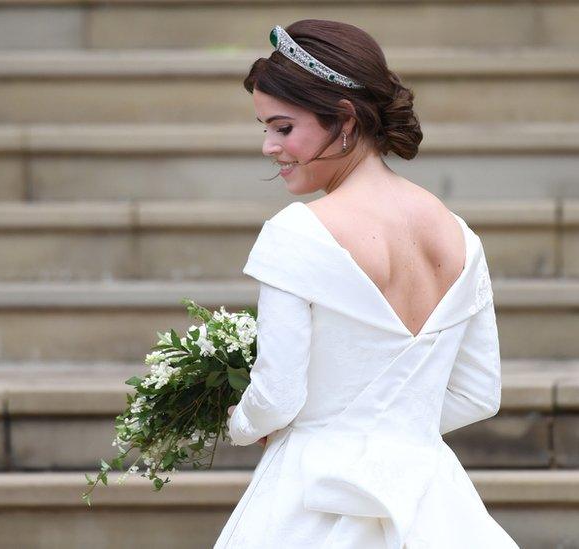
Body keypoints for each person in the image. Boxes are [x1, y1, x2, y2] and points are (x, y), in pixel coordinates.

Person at [214, 20, 519, 549]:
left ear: (346, 119)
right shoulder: (461, 238)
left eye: (284, 128)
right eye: (265, 128)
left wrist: (239, 424)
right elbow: (477, 393)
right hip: (428, 499)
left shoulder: (299, 231)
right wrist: (396, 431)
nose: (269, 146)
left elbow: (278, 395)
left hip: (310, 497)